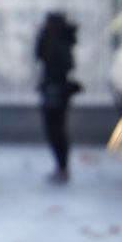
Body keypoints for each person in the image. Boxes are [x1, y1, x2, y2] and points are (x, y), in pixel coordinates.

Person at [35, 11, 80, 184]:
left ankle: (62, 167)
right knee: (54, 130)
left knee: (57, 130)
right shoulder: (51, 41)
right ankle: (61, 166)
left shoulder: (60, 44)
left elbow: (64, 66)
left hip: (57, 91)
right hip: (52, 90)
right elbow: (38, 55)